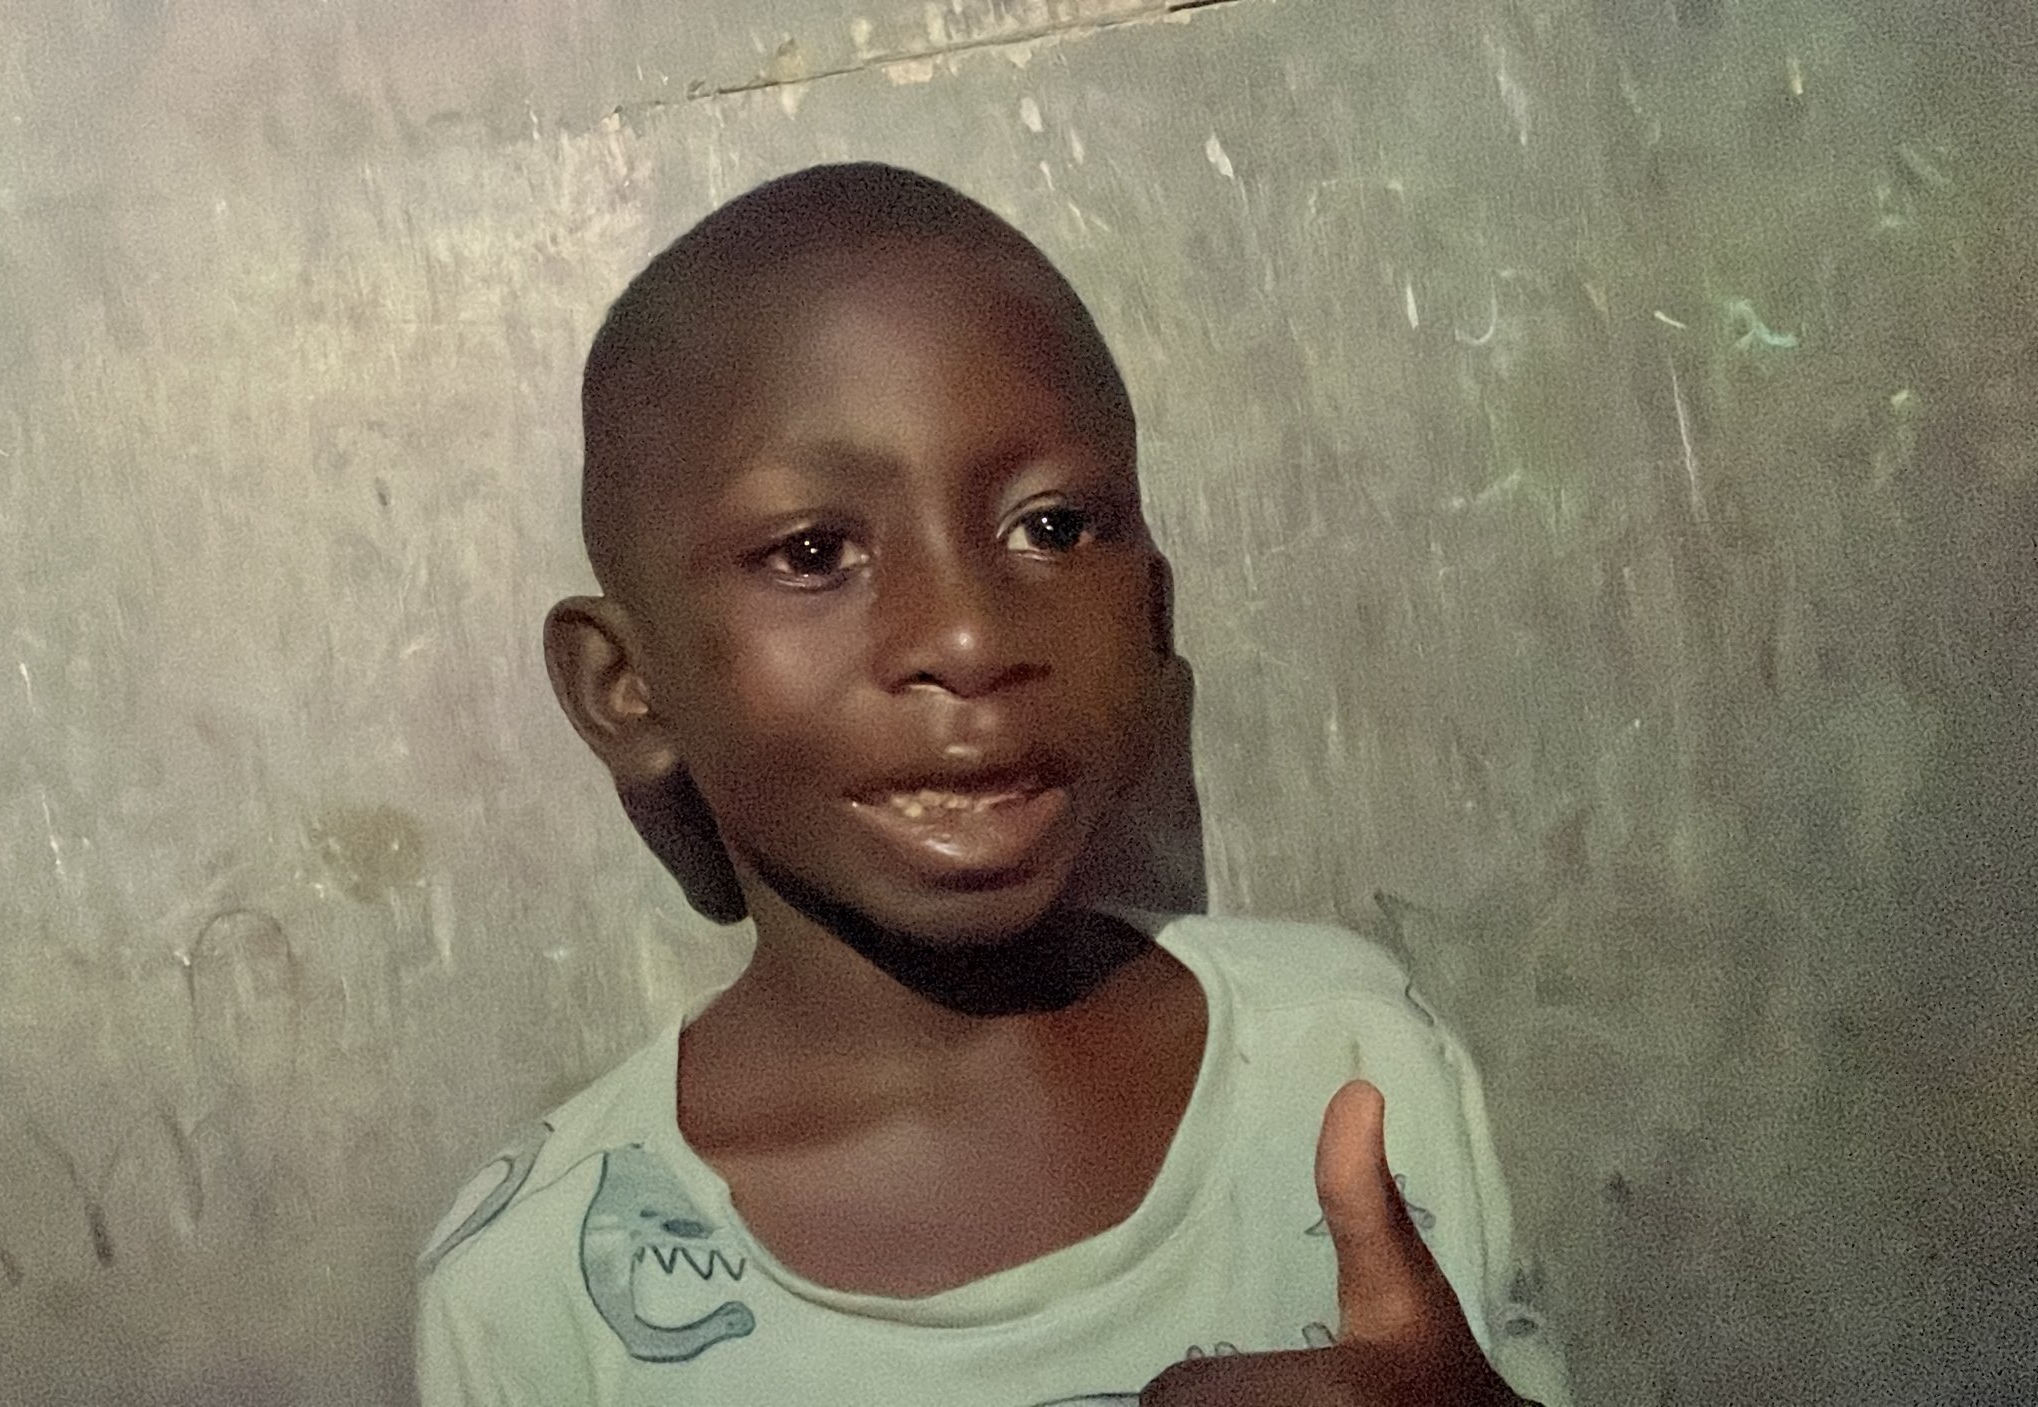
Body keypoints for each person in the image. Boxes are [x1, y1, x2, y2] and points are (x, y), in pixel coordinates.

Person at [414, 163, 1569, 1406]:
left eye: (1053, 528)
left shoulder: (1345, 1062)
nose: (967, 641)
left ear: (1153, 609)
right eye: (815, 553)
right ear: (624, 688)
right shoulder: (538, 1292)